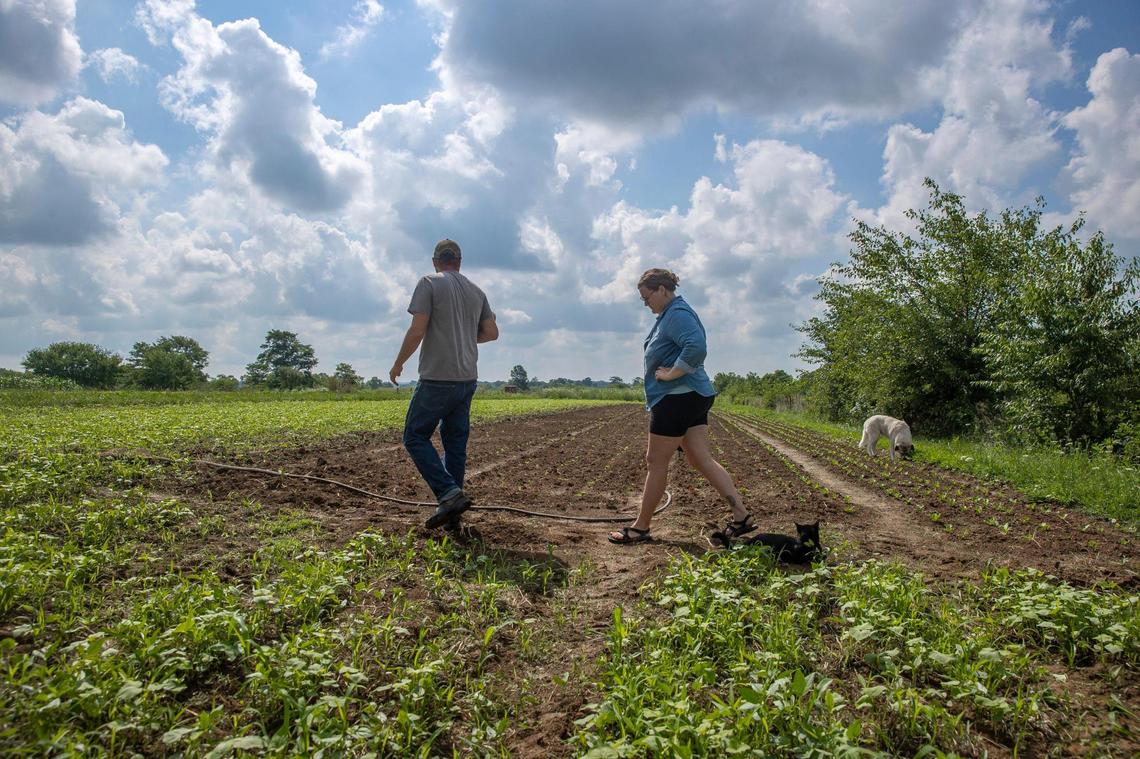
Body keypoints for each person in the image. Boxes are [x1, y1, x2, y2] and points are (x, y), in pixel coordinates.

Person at [608, 268, 755, 545]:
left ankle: (640, 528)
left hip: (678, 397)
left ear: (662, 289)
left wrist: (672, 373)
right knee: (701, 458)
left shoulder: (677, 314)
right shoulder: (670, 314)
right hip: (692, 395)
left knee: (655, 461)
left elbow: (696, 346)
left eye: (646, 297)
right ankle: (741, 515)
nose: (645, 303)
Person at [390, 239, 499, 528]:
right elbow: (491, 333)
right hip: (467, 380)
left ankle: (448, 492)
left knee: (414, 436)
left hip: (437, 378)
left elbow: (417, 330)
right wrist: (463, 334)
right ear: (459, 261)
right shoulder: (477, 291)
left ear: (436, 261)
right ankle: (453, 515)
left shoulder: (428, 282)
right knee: (455, 445)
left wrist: (399, 362)